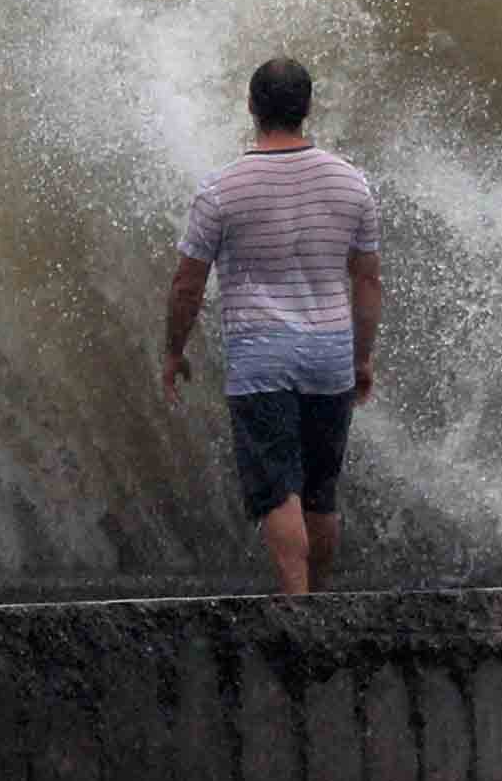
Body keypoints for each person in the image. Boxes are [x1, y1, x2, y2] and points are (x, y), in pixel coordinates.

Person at [160, 55, 381, 595]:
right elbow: (368, 282)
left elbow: (187, 285)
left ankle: (297, 605)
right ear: (308, 108)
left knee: (278, 492)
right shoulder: (352, 185)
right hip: (330, 353)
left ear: (252, 107)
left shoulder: (222, 190)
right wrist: (361, 357)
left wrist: (173, 350)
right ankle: (319, 602)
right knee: (320, 494)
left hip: (262, 359)